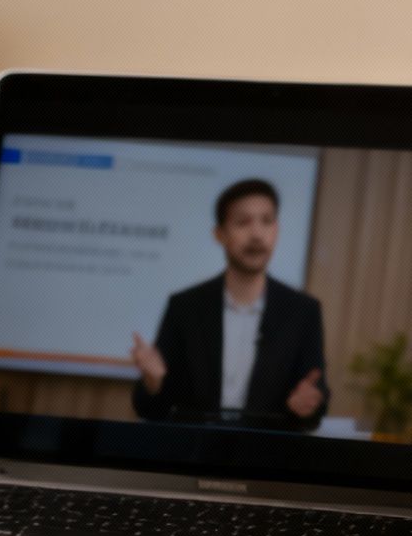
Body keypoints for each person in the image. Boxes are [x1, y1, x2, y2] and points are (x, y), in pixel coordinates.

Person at [130, 178, 329, 429]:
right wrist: (153, 382)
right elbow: (150, 410)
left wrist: (309, 403)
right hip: (195, 454)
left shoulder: (303, 311)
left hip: (268, 457)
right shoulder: (185, 307)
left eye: (266, 221)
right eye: (243, 222)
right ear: (220, 234)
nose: (257, 234)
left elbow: (316, 396)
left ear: (276, 230)